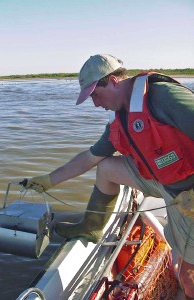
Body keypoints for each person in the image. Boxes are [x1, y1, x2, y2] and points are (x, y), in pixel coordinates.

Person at [25, 54, 194, 299]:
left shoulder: (163, 97)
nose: (95, 104)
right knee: (107, 168)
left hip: (188, 193)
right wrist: (50, 179)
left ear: (113, 81)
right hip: (161, 179)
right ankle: (92, 228)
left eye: (95, 95)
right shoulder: (120, 114)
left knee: (187, 278)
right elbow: (91, 157)